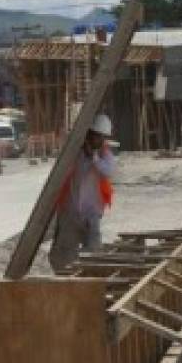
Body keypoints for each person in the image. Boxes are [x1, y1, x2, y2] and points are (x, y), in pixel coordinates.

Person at [48, 114, 115, 272]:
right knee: (61, 256)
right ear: (89, 135)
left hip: (91, 215)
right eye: (96, 136)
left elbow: (108, 172)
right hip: (70, 212)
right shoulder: (74, 154)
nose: (99, 140)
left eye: (102, 137)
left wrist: (94, 158)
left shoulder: (105, 156)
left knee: (94, 253)